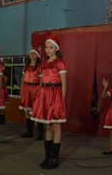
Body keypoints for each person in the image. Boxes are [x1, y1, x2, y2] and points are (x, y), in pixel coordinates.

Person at [31, 34, 67, 169]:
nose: (47, 49)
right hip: (45, 96)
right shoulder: (44, 63)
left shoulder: (59, 62)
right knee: (48, 126)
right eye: (46, 47)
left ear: (56, 49)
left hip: (56, 95)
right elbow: (41, 83)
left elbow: (64, 84)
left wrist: (61, 101)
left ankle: (54, 158)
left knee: (56, 126)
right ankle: (47, 156)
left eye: (50, 47)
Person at [19, 49, 44, 140]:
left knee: (37, 111)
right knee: (27, 111)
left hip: (36, 89)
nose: (32, 55)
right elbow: (23, 78)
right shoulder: (26, 66)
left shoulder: (40, 66)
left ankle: (40, 133)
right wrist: (21, 89)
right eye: (31, 53)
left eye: (34, 53)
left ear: (37, 55)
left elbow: (42, 81)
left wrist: (40, 91)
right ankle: (29, 131)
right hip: (27, 89)